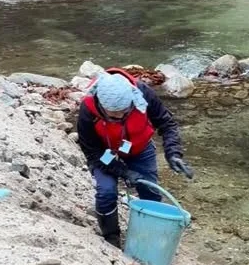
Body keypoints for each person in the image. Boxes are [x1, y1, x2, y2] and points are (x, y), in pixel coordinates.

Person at [76, 67, 193, 247]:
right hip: (104, 153)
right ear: (101, 104)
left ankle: (149, 239)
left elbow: (167, 124)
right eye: (114, 115)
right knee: (106, 192)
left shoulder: (143, 94)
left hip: (139, 148)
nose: (121, 117)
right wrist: (124, 172)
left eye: (125, 111)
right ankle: (112, 240)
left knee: (151, 192)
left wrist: (173, 154)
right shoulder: (87, 109)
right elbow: (92, 152)